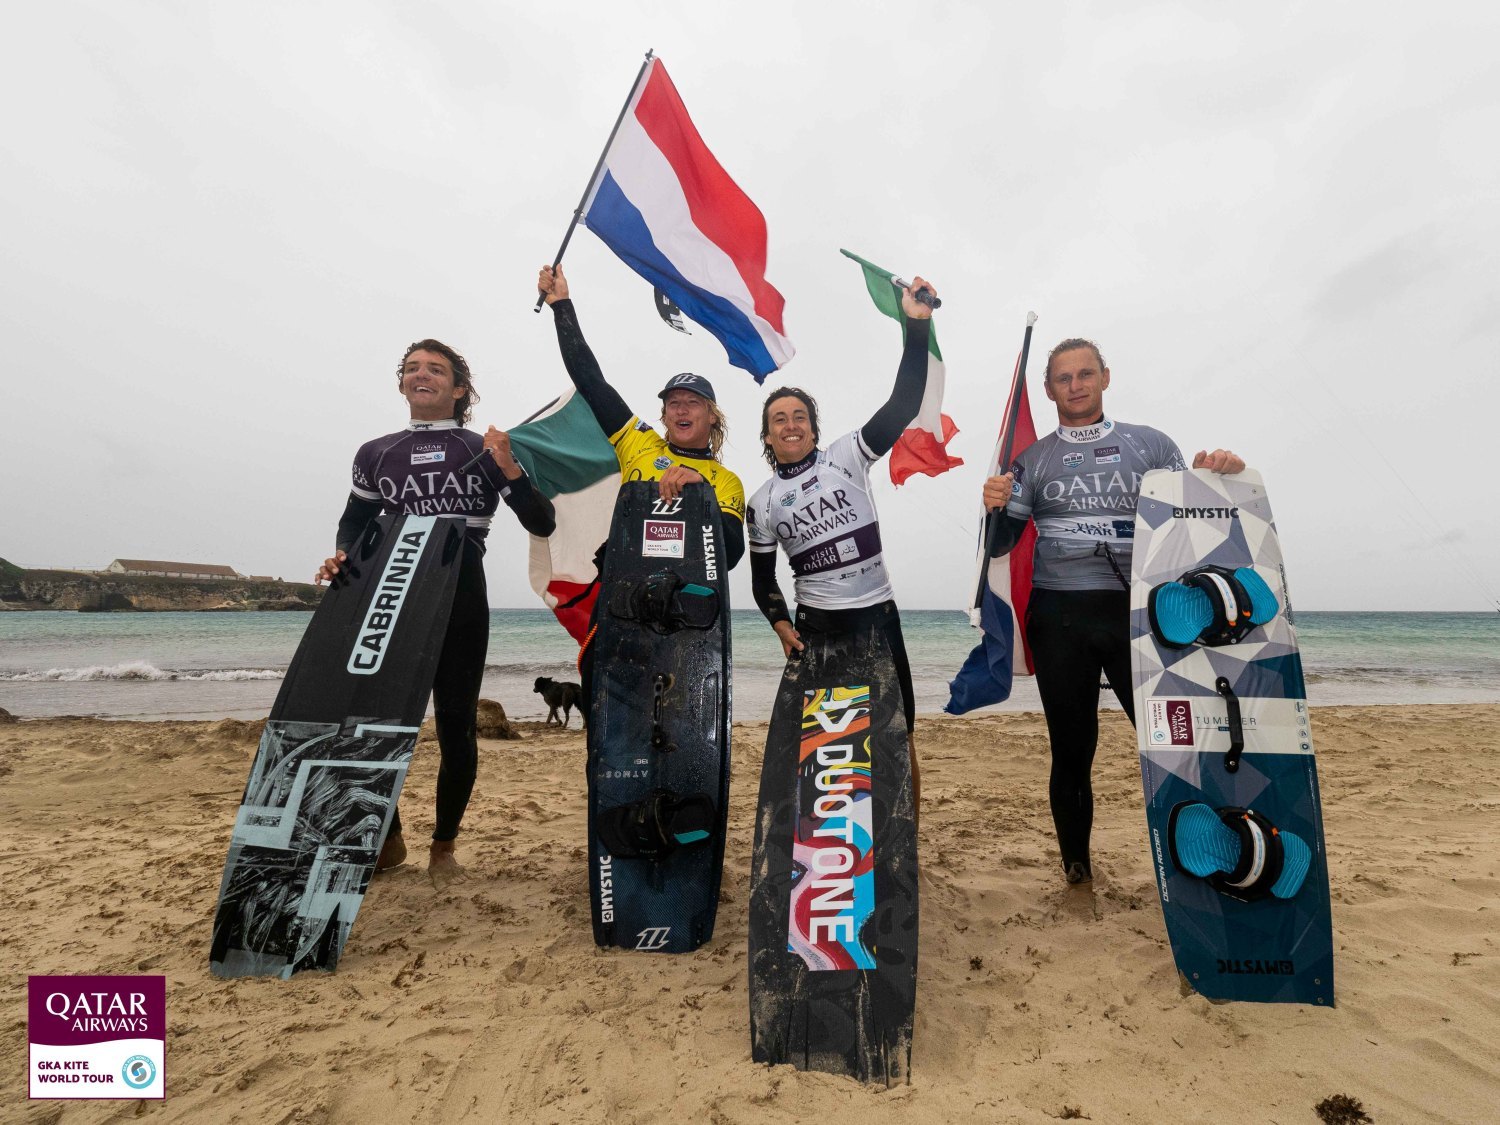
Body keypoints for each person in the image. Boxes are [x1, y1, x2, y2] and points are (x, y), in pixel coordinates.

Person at [981, 337, 1244, 886]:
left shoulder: (1151, 445)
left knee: (1174, 742)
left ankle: (1208, 852)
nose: (1075, 386)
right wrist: (996, 507)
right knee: (1071, 751)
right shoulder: (1033, 461)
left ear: (1105, 377)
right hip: (1061, 619)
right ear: (1048, 389)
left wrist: (1218, 475)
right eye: (1063, 378)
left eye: (1085, 374)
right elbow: (1002, 544)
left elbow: (1193, 519)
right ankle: (1076, 868)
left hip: (1143, 616)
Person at [316, 339, 556, 887]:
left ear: (459, 388)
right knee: (369, 722)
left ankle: (443, 847)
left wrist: (509, 467)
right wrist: (343, 556)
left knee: (455, 725)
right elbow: (355, 521)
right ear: (402, 383)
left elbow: (541, 522)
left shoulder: (481, 448)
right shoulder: (375, 452)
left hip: (459, 596)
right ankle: (387, 837)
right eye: (412, 368)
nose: (421, 375)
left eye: (436, 369)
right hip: (389, 594)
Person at [747, 275, 939, 812]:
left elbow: (903, 402)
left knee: (899, 736)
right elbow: (762, 580)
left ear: (813, 428)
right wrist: (780, 624)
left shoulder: (846, 456)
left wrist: (916, 325)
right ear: (768, 436)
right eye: (779, 420)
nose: (791, 425)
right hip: (820, 631)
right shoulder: (762, 503)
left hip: (879, 617)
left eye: (799, 417)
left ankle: (904, 839)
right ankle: (841, 837)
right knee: (831, 747)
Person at [534, 264, 746, 705]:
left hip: (682, 615)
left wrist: (700, 495)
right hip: (621, 601)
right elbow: (591, 381)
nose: (681, 409)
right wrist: (562, 306)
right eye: (673, 403)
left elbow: (729, 554)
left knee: (674, 720)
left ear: (712, 416)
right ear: (664, 414)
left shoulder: (725, 482)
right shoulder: (638, 442)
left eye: (693, 403)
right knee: (608, 718)